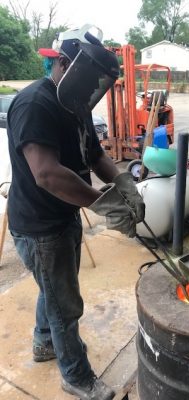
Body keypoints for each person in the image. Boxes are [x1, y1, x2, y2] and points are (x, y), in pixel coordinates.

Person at [6, 24, 145, 400]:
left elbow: (94, 154)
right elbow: (47, 174)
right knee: (65, 304)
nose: (91, 89)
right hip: (39, 225)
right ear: (65, 63)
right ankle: (76, 376)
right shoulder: (37, 104)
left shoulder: (75, 102)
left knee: (53, 288)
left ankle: (43, 343)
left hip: (62, 217)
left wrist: (123, 182)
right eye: (88, 78)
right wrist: (103, 203)